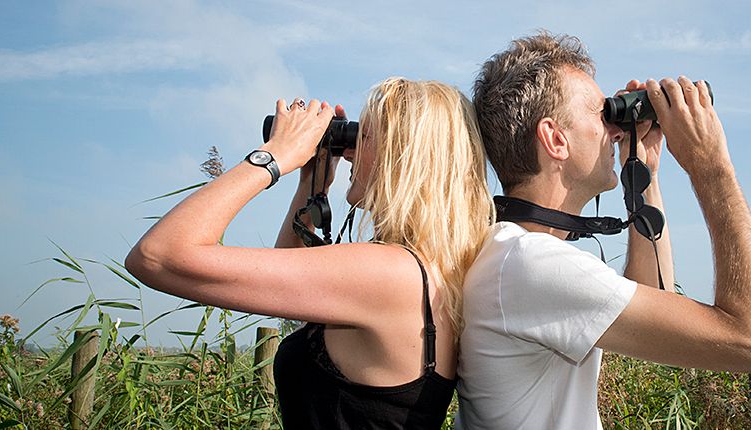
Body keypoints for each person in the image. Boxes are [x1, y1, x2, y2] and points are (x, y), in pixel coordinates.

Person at [455, 32, 751, 429]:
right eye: (602, 115)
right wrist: (712, 167)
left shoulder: (512, 255)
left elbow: (652, 298)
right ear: (555, 139)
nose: (616, 131)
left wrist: (644, 171)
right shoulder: (532, 264)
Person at [126, 77, 493, 429]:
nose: (347, 153)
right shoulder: (425, 270)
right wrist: (309, 183)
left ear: (402, 158)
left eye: (362, 136)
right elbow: (290, 298)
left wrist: (274, 156)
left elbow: (157, 256)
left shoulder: (387, 272)